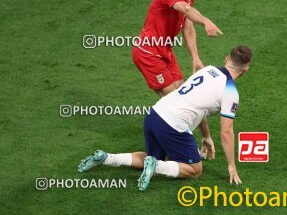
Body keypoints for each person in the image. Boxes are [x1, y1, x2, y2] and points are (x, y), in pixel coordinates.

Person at [78, 46, 253, 190]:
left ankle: (106, 157)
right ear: (246, 69)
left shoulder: (208, 70)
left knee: (152, 156)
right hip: (172, 125)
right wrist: (231, 166)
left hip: (155, 113)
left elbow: (198, 107)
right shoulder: (230, 92)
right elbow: (227, 132)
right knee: (195, 169)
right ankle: (156, 166)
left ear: (226, 58)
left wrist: (206, 136)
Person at [132, 0, 223, 97]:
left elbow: (188, 27)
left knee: (183, 97)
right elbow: (185, 9)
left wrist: (195, 56)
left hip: (165, 51)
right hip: (148, 52)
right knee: (174, 104)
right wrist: (205, 20)